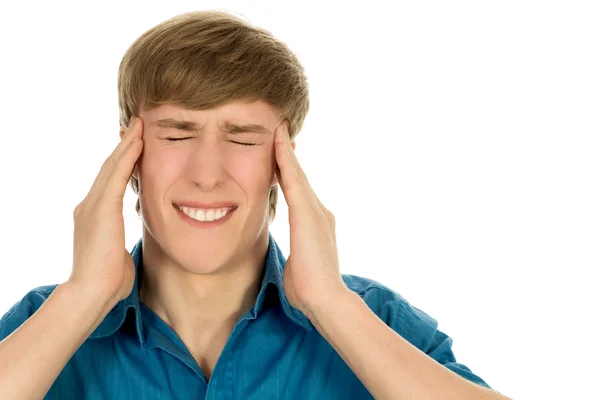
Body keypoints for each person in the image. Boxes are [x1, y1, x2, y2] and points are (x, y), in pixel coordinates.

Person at [0, 10, 510, 400]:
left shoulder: (375, 320)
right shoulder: (42, 325)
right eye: (178, 134)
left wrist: (327, 301)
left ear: (281, 163)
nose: (206, 174)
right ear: (129, 156)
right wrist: (85, 295)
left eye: (243, 139)